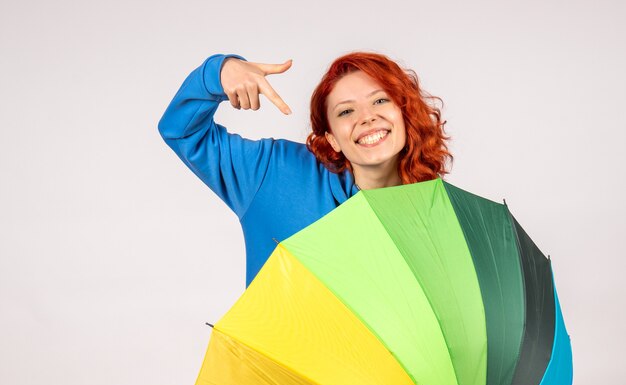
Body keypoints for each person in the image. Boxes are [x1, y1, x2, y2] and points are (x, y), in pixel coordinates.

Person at [158, 52, 452, 287]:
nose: (367, 117)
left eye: (379, 100)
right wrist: (218, 72)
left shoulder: (440, 223)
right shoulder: (275, 172)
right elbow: (182, 132)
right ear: (332, 139)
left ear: (404, 114)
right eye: (346, 111)